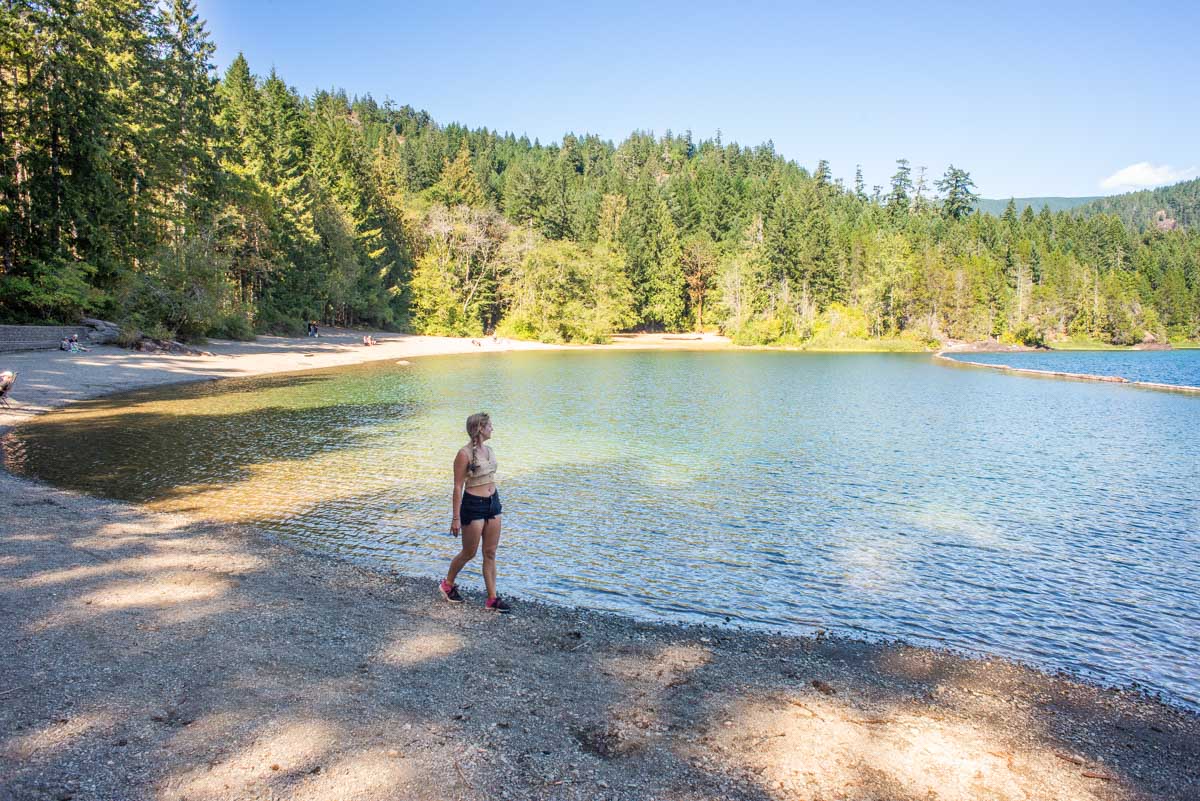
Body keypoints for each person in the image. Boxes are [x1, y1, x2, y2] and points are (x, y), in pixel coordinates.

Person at [441, 412, 510, 613]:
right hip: (473, 505)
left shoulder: (489, 450)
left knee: (490, 552)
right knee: (469, 552)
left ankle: (492, 599)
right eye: (489, 425)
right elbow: (457, 486)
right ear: (480, 428)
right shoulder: (463, 454)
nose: (492, 429)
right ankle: (448, 584)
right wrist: (455, 518)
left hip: (493, 504)